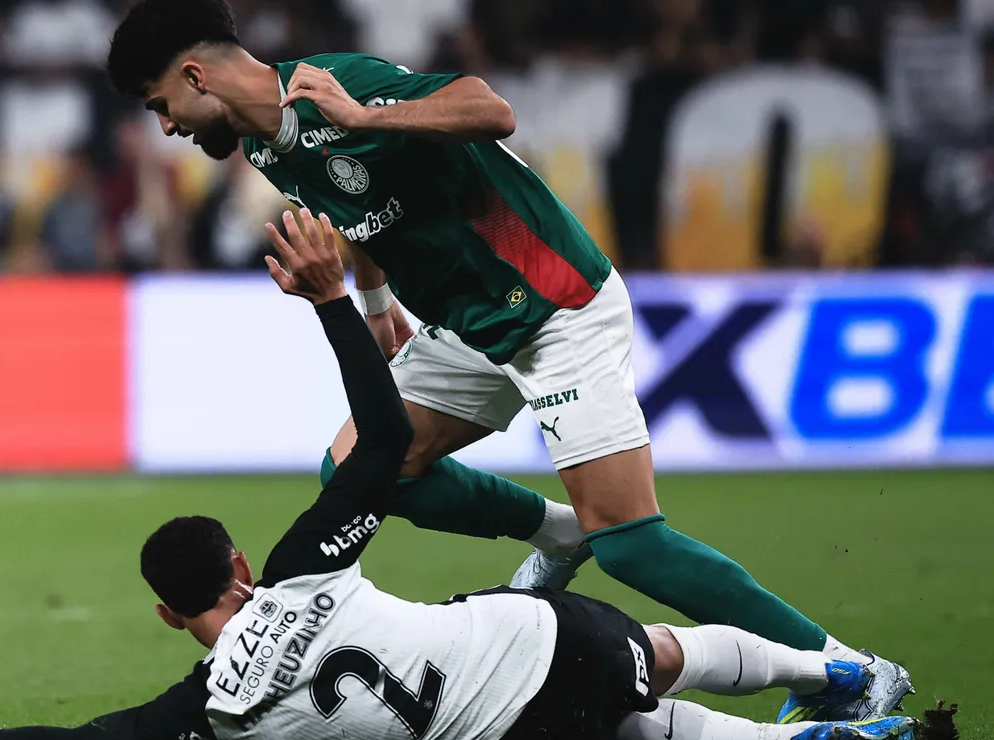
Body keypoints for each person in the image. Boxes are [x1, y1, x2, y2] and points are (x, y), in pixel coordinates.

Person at [103, 0, 909, 723]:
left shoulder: (334, 87)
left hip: (554, 304)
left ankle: (851, 668)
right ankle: (563, 535)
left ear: (195, 75)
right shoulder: (263, 143)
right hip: (466, 324)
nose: (166, 126)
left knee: (632, 543)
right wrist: (379, 308)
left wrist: (367, 114)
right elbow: (352, 207)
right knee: (364, 469)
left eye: (159, 103)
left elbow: (491, 110)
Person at [0, 211, 920, 740]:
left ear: (171, 617)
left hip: (506, 727)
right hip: (538, 638)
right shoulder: (304, 565)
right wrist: (341, 302)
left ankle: (820, 716)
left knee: (639, 698)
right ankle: (831, 672)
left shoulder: (212, 709)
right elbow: (383, 443)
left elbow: (66, 739)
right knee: (659, 656)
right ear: (242, 564)